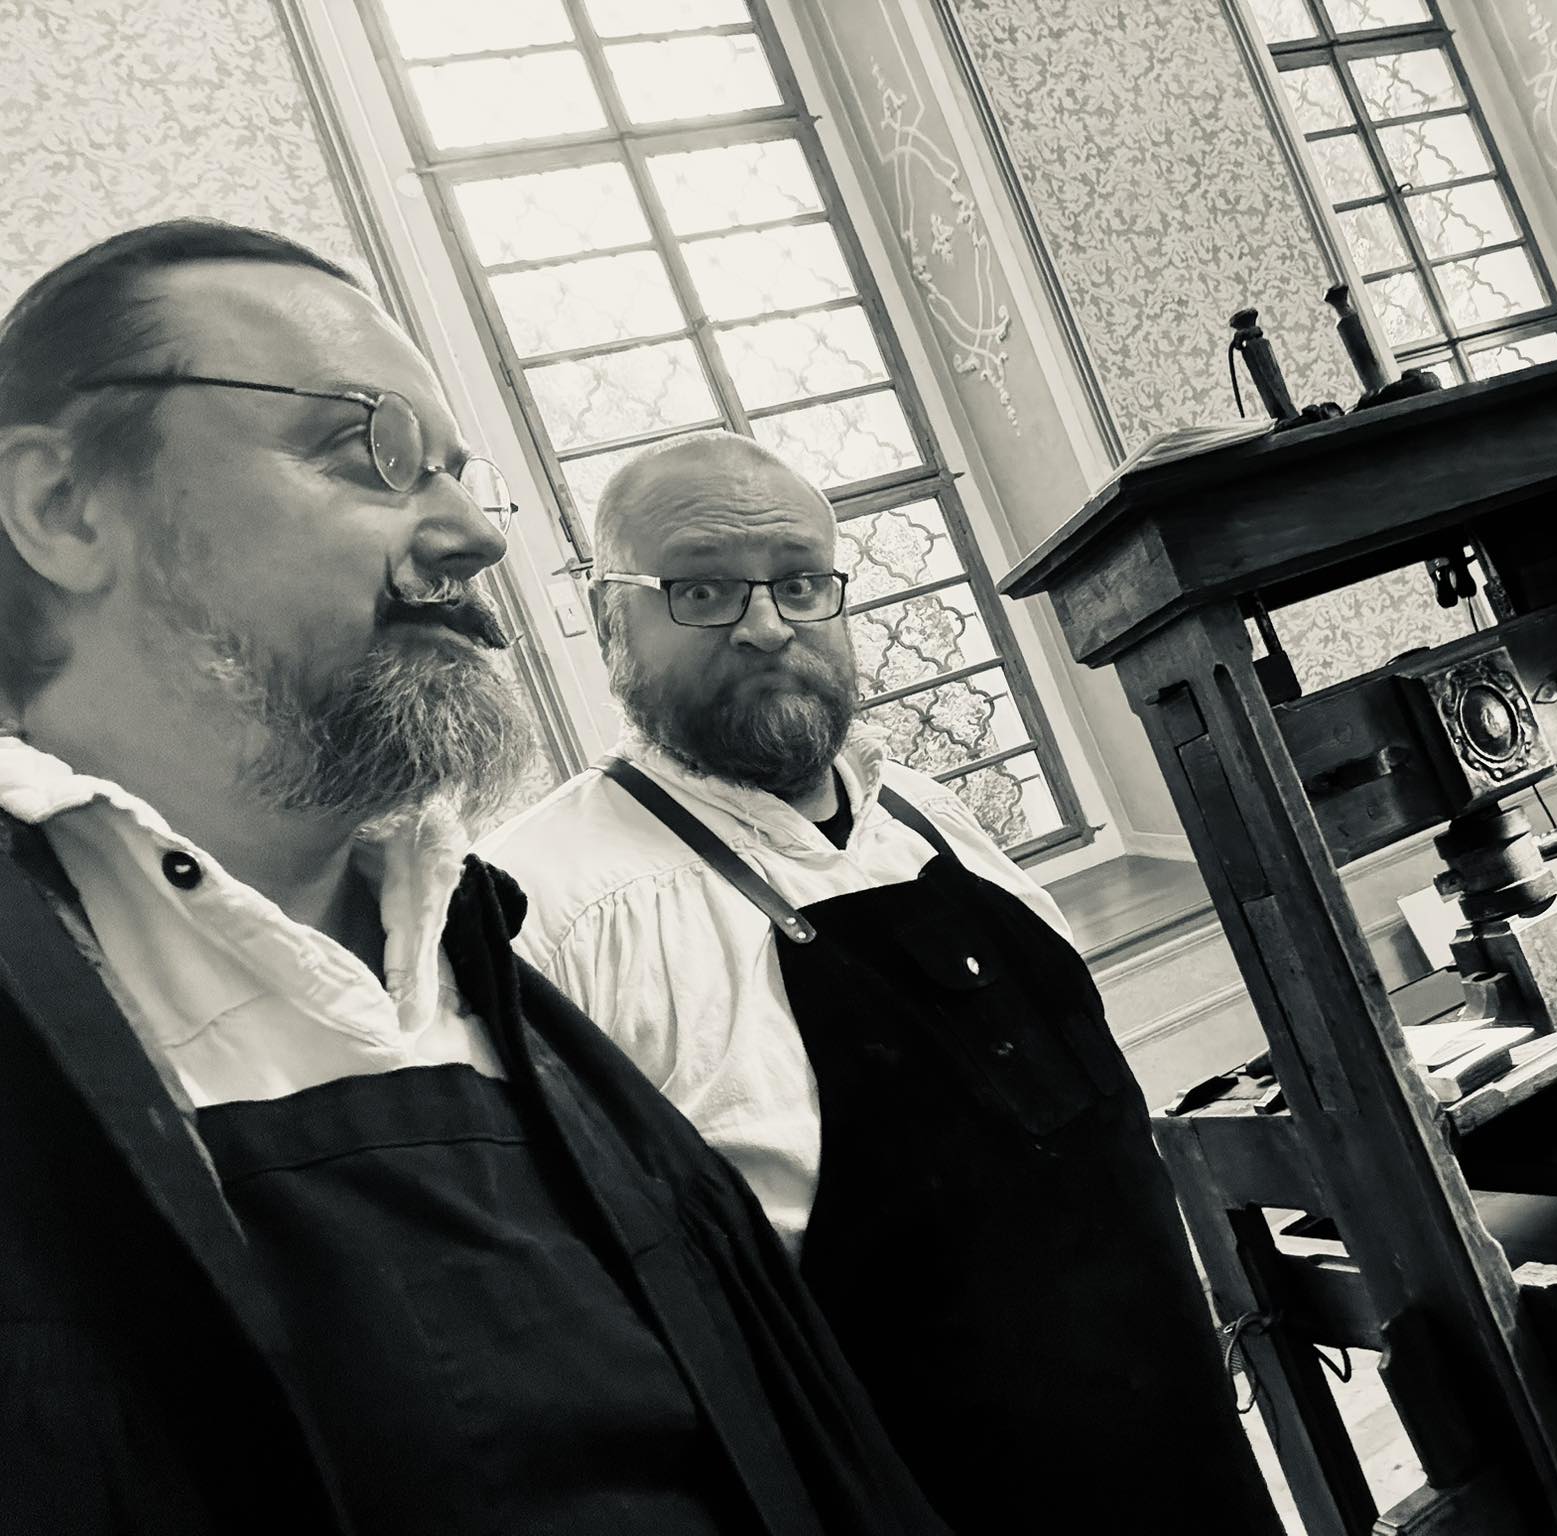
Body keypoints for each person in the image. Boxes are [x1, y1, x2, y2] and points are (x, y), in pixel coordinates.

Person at [0, 219, 952, 1536]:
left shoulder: (491, 970)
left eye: (458, 474)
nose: (470, 536)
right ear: (64, 507)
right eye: (372, 452)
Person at [479, 431, 1285, 1535]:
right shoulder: (547, 915)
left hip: (1182, 1462)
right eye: (702, 591)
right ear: (611, 618)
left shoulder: (928, 817)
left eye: (801, 583)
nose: (768, 626)